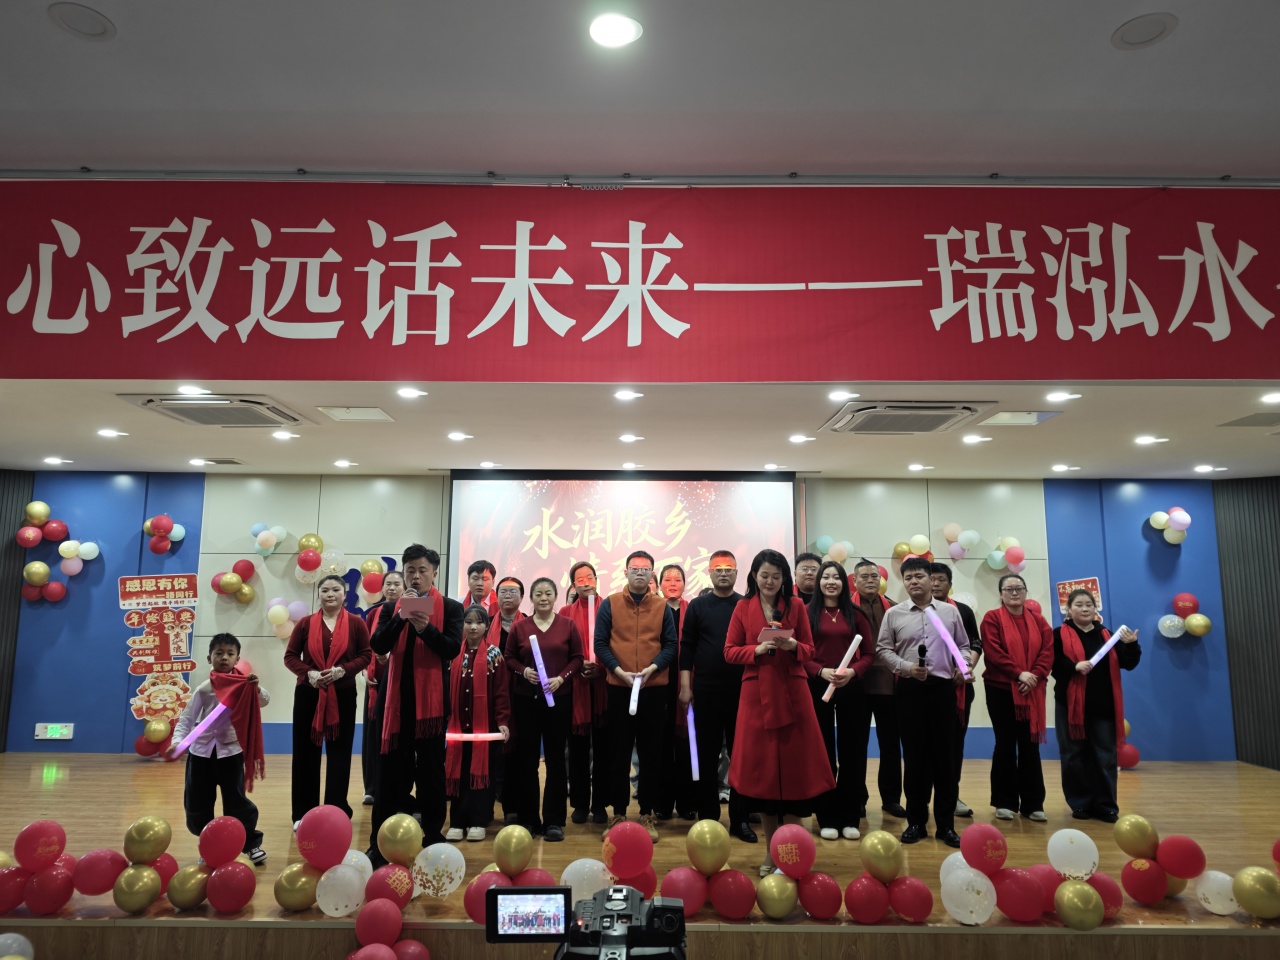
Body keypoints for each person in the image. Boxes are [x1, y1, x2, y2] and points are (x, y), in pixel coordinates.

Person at [724, 549, 835, 876]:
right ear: (754, 576)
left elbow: (810, 650)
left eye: (776, 576)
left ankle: (793, 854)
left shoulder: (797, 605)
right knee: (765, 780)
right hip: (756, 697)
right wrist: (756, 649)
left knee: (796, 776)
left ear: (784, 578)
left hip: (793, 694)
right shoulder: (742, 607)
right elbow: (729, 651)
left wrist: (792, 646)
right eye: (764, 575)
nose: (770, 581)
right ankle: (771, 853)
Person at [368, 544, 464, 865]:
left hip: (431, 709)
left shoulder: (450, 607)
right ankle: (381, 841)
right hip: (394, 705)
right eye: (410, 570)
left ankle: (432, 836)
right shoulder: (389, 608)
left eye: (423, 570)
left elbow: (451, 648)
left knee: (431, 774)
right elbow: (378, 644)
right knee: (389, 775)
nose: (416, 576)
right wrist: (401, 615)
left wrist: (425, 627)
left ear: (434, 572)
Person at [875, 556, 971, 848]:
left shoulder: (950, 612)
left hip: (943, 690)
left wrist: (963, 666)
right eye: (908, 578)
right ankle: (916, 822)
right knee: (914, 759)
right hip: (910, 690)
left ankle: (946, 826)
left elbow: (964, 646)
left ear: (932, 580)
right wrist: (906, 667)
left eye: (919, 576)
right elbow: (882, 649)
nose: (913, 581)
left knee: (945, 759)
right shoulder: (894, 614)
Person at [593, 550, 679, 843]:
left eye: (645, 569)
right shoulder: (610, 603)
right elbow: (600, 643)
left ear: (652, 574)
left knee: (651, 754)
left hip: (653, 688)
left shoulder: (662, 606)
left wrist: (653, 668)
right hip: (619, 687)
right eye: (635, 568)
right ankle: (618, 813)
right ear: (626, 572)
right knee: (618, 753)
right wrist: (620, 672)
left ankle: (647, 813)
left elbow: (671, 644)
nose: (640, 573)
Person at [168, 633, 269, 864]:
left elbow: (264, 700)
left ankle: (250, 845)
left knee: (237, 801)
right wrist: (177, 741)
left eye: (230, 654)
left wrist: (257, 688)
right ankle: (208, 846)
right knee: (198, 802)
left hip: (230, 754)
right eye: (219, 653)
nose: (224, 657)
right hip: (201, 754)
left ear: (237, 659)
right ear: (209, 658)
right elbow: (187, 718)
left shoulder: (245, 685)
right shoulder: (204, 689)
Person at [284, 574, 372, 828]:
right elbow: (290, 657)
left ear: (345, 594)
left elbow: (365, 655)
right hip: (308, 694)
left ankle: (336, 810)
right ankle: (303, 814)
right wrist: (309, 674)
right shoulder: (305, 623)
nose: (330, 594)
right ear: (318, 594)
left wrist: (343, 670)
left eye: (335, 590)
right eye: (325, 590)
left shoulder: (356, 623)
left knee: (339, 755)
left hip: (342, 695)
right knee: (305, 755)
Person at [679, 551, 753, 840]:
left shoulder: (746, 604)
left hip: (742, 692)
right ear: (709, 573)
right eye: (717, 568)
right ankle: (708, 817)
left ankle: (740, 820)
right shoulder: (698, 605)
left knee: (740, 757)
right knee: (706, 757)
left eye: (728, 568)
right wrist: (686, 687)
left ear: (736, 573)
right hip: (705, 691)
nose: (723, 573)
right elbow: (687, 647)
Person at [1052, 589, 1141, 823]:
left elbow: (1128, 663)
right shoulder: (1058, 635)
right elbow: (1054, 665)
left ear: (1095, 609)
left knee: (1105, 757)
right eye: (1079, 605)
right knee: (1073, 756)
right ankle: (1080, 804)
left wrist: (1132, 645)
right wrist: (1074, 667)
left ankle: (1106, 806)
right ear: (1069, 609)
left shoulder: (1108, 635)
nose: (1084, 609)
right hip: (1070, 707)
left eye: (1089, 605)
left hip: (1103, 706)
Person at [505, 577, 584, 841]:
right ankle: (528, 819)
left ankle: (554, 821)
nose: (543, 598)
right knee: (526, 760)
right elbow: (509, 658)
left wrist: (561, 678)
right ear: (531, 598)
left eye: (548, 593)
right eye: (538, 593)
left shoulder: (567, 625)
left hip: (558, 699)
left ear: (555, 597)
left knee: (556, 759)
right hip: (526, 700)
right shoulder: (520, 627)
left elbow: (577, 658)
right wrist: (523, 671)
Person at [806, 560, 874, 841]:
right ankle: (826, 817)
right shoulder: (806, 613)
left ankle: (850, 817)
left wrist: (852, 672)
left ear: (844, 583)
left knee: (852, 753)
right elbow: (800, 654)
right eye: (826, 577)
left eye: (836, 577)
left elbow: (869, 654)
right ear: (819, 582)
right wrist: (820, 671)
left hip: (850, 687)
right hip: (817, 686)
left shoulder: (855, 614)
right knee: (823, 753)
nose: (831, 582)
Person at [980, 572, 1054, 822]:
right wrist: (1019, 674)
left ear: (1025, 592)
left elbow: (1047, 652)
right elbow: (993, 652)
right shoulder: (992, 618)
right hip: (1000, 690)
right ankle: (1004, 802)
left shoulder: (1039, 621)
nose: (1014, 593)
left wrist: (1034, 675)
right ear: (1001, 594)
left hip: (1032, 689)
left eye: (1019, 588)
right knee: (1005, 744)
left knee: (1030, 746)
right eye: (1009, 589)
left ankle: (1033, 804)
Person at [445, 606, 511, 841]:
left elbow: (501, 692)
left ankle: (478, 821)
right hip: (457, 729)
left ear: (486, 626)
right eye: (468, 622)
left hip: (485, 729)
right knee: (459, 774)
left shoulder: (494, 654)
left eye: (479, 622)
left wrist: (503, 721)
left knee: (483, 775)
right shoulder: (453, 652)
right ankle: (457, 821)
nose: (473, 627)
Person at [850, 558, 904, 819]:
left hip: (889, 685)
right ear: (854, 581)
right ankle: (857, 799)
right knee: (856, 745)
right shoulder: (846, 607)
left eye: (874, 576)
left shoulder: (894, 607)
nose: (870, 580)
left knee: (891, 746)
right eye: (864, 577)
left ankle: (891, 799)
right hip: (857, 684)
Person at [929, 562, 981, 818]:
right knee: (924, 747)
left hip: (957, 689)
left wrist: (966, 668)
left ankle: (951, 796)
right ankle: (920, 799)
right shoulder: (910, 610)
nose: (936, 584)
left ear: (950, 584)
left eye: (941, 580)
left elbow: (975, 644)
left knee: (953, 746)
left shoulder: (962, 611)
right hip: (924, 688)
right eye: (932, 579)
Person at [561, 561, 609, 825]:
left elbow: (617, 643)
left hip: (605, 686)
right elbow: (560, 648)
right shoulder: (566, 612)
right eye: (580, 579)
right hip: (575, 687)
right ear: (573, 585)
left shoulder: (609, 607)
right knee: (577, 750)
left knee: (603, 750)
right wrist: (578, 666)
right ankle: (579, 804)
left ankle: (600, 804)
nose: (586, 582)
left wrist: (601, 666)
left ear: (596, 579)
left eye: (590, 577)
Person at [655, 563, 695, 822]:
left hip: (687, 682)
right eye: (667, 579)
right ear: (659, 584)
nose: (672, 583)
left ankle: (687, 803)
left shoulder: (693, 610)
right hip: (659, 683)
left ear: (684, 584)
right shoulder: (654, 609)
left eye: (677, 579)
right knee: (660, 745)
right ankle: (662, 803)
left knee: (686, 746)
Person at [362, 570, 405, 806]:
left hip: (399, 682)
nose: (392, 588)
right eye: (388, 584)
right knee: (372, 739)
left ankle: (395, 789)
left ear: (405, 587)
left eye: (397, 584)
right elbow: (365, 647)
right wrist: (364, 672)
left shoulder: (409, 610)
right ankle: (371, 788)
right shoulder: (373, 613)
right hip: (375, 684)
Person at [488, 576, 526, 823]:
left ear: (522, 597)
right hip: (491, 696)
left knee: (516, 754)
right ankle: (487, 806)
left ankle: (512, 807)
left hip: (522, 695)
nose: (508, 596)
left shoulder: (529, 624)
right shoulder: (485, 624)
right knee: (493, 754)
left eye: (513, 592)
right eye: (503, 591)